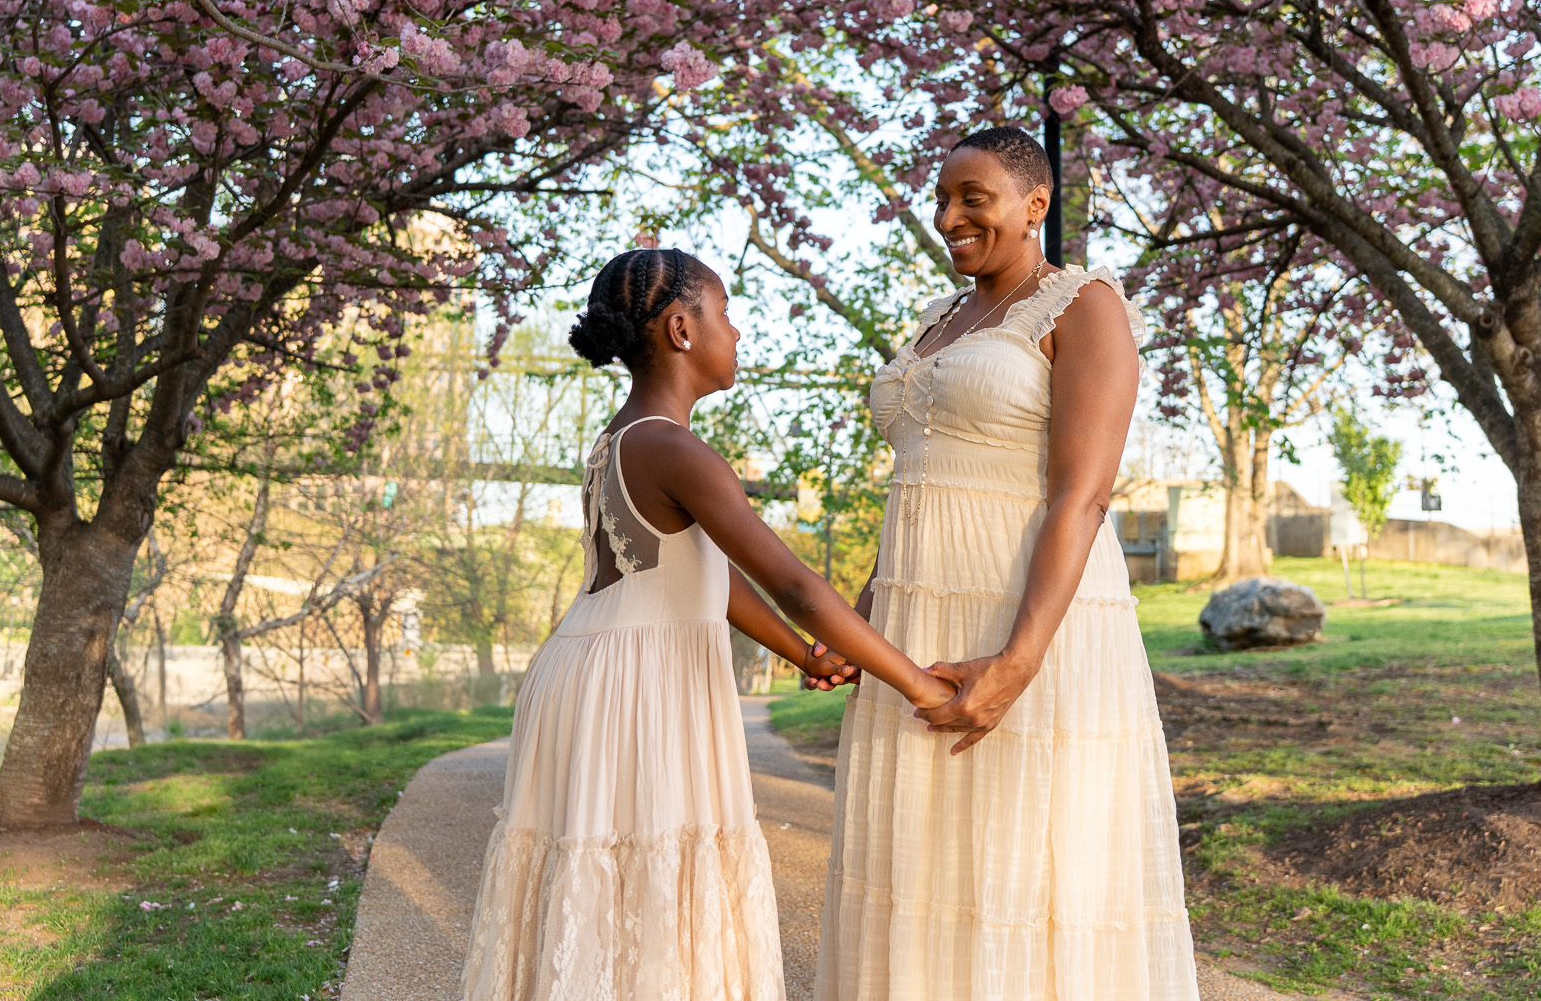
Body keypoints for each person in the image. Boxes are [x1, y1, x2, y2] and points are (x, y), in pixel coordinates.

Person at [461, 247, 957, 1001]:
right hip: (638, 687)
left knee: (613, 892)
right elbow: (795, 584)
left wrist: (804, 655)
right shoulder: (674, 448)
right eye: (726, 313)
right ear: (682, 329)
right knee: (651, 886)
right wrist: (917, 683)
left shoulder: (620, 438)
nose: (737, 330)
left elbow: (703, 577)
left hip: (591, 670)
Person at [815, 127, 1199, 1001]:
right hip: (916, 628)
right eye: (941, 200)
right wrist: (865, 622)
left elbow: (1082, 496)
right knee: (917, 860)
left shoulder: (1083, 304)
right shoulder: (940, 320)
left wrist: (1019, 660)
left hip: (1031, 622)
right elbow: (921, 487)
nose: (948, 217)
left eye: (972, 198)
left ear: (1035, 205)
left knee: (1027, 863)